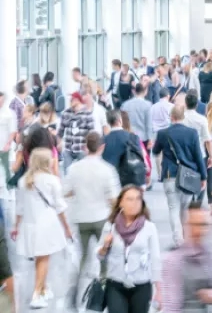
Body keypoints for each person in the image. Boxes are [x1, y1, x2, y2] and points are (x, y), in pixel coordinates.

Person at [63, 131, 121, 306]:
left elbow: (66, 191)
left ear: (84, 147)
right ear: (102, 147)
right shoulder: (107, 169)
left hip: (81, 218)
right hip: (101, 218)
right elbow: (114, 199)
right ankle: (102, 294)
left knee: (83, 257)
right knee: (104, 256)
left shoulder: (74, 168)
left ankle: (74, 293)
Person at [11, 148, 72, 309]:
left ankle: (44, 288)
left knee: (40, 258)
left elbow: (20, 208)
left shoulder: (23, 181)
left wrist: (15, 226)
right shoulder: (52, 181)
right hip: (47, 225)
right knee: (44, 259)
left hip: (29, 224)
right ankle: (36, 294)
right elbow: (60, 207)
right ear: (47, 162)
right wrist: (67, 228)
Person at [97, 185, 163, 313]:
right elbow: (99, 255)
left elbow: (155, 259)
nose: (135, 203)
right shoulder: (110, 226)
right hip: (115, 283)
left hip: (141, 284)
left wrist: (159, 291)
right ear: (120, 203)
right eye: (130, 199)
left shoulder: (149, 227)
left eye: (138, 199)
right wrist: (105, 246)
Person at [152, 106, 208, 246]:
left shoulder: (163, 133)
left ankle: (178, 239)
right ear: (183, 117)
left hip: (170, 175)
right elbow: (198, 156)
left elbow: (155, 151)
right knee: (185, 208)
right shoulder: (192, 133)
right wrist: (203, 176)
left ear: (171, 117)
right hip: (188, 176)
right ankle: (185, 235)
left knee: (173, 208)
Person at [161, 202, 212, 312]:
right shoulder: (173, 259)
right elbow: (171, 306)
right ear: (184, 226)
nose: (198, 230)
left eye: (203, 225)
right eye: (193, 224)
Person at [57, 92, 95, 172]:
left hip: (82, 148)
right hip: (68, 149)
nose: (70, 101)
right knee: (67, 173)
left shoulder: (87, 114)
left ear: (77, 100)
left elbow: (91, 133)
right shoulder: (66, 113)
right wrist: (59, 142)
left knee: (83, 172)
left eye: (72, 99)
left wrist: (88, 147)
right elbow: (60, 130)